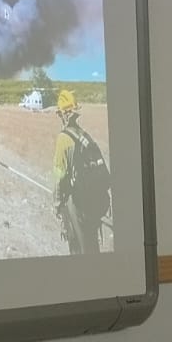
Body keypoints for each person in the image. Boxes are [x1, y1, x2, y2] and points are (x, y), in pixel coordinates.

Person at [52, 90, 111, 255]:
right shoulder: (84, 136)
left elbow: (59, 177)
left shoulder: (63, 139)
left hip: (77, 202)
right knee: (92, 245)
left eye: (60, 114)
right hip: (94, 202)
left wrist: (57, 204)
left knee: (79, 248)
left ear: (64, 115)